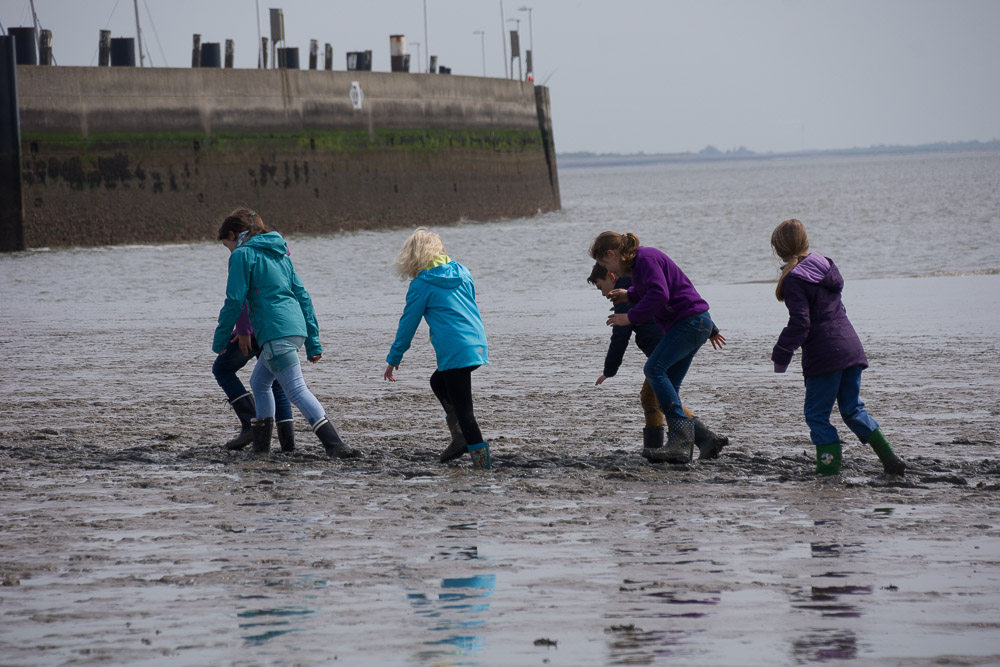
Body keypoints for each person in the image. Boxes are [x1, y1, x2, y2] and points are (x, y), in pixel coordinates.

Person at [212, 208, 359, 459]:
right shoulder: (280, 254)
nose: (229, 250)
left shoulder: (242, 255)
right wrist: (313, 341)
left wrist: (219, 339)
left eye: (227, 245)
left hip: (274, 333)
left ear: (233, 235)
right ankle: (261, 448)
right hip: (295, 329)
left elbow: (235, 300)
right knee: (259, 382)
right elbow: (303, 296)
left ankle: (335, 444)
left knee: (296, 389)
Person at [770, 218, 905, 477]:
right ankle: (890, 458)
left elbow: (801, 323)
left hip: (825, 355)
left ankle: (828, 471)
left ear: (778, 249)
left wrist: (781, 353)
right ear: (806, 241)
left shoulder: (794, 280)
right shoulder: (826, 267)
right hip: (851, 347)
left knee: (817, 415)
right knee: (852, 409)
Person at [589, 231, 725, 464]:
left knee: (653, 370)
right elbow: (656, 289)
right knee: (668, 387)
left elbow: (660, 295)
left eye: (604, 264)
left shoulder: (645, 259)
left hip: (690, 323)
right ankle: (705, 439)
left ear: (612, 254)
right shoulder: (638, 266)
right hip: (695, 323)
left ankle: (680, 442)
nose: (608, 271)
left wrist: (630, 316)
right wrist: (629, 293)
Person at [383, 228, 491, 469]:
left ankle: (482, 464)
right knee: (438, 382)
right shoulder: (463, 271)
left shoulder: (422, 284)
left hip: (455, 349)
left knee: (466, 413)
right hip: (476, 342)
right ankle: (460, 435)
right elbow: (471, 303)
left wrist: (394, 357)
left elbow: (407, 324)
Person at [213, 305, 297, 452]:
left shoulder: (242, 279)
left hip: (252, 329)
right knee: (276, 382)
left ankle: (250, 423)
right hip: (277, 328)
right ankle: (288, 445)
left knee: (222, 369)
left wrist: (243, 328)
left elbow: (238, 298)